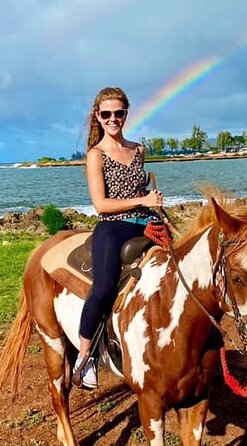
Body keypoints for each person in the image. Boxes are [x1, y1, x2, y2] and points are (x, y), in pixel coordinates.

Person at [75, 87, 163, 389]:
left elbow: (141, 194)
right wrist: (143, 202)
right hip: (113, 227)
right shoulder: (95, 155)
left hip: (147, 223)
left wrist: (152, 201)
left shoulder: (139, 149)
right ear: (97, 116)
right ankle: (85, 356)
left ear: (126, 114)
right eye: (107, 114)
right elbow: (101, 204)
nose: (114, 119)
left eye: (119, 113)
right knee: (102, 288)